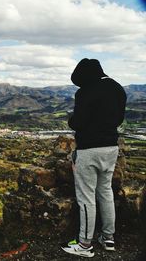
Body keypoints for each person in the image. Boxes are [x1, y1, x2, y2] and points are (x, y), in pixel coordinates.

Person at [61, 58, 127, 258]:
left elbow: (78, 122)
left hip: (89, 149)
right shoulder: (117, 89)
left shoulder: (85, 92)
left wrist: (71, 120)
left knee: (85, 197)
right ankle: (108, 238)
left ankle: (84, 245)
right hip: (111, 148)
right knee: (105, 191)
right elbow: (118, 119)